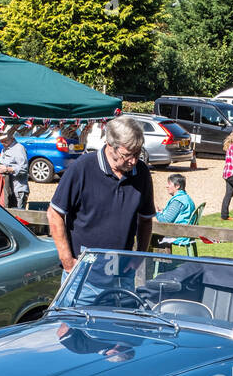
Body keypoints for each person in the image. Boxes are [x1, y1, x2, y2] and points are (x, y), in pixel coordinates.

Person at [47, 115, 155, 274]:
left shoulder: (142, 172)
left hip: (122, 274)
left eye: (138, 153)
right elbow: (54, 214)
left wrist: (139, 257)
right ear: (110, 145)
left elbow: (146, 220)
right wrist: (68, 262)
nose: (133, 161)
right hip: (83, 273)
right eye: (128, 155)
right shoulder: (82, 168)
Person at [155, 173, 197, 248]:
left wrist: (156, 213)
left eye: (169, 184)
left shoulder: (178, 200)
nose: (166, 186)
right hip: (186, 232)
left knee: (151, 235)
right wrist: (163, 211)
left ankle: (159, 259)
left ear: (177, 186)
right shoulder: (185, 198)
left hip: (179, 234)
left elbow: (166, 221)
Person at [0, 126, 30, 207]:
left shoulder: (19, 148)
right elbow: (1, 164)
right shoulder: (4, 149)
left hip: (18, 189)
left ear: (11, 138)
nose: (1, 142)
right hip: (7, 189)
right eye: (1, 141)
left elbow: (24, 169)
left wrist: (7, 169)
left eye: (3, 140)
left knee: (18, 215)